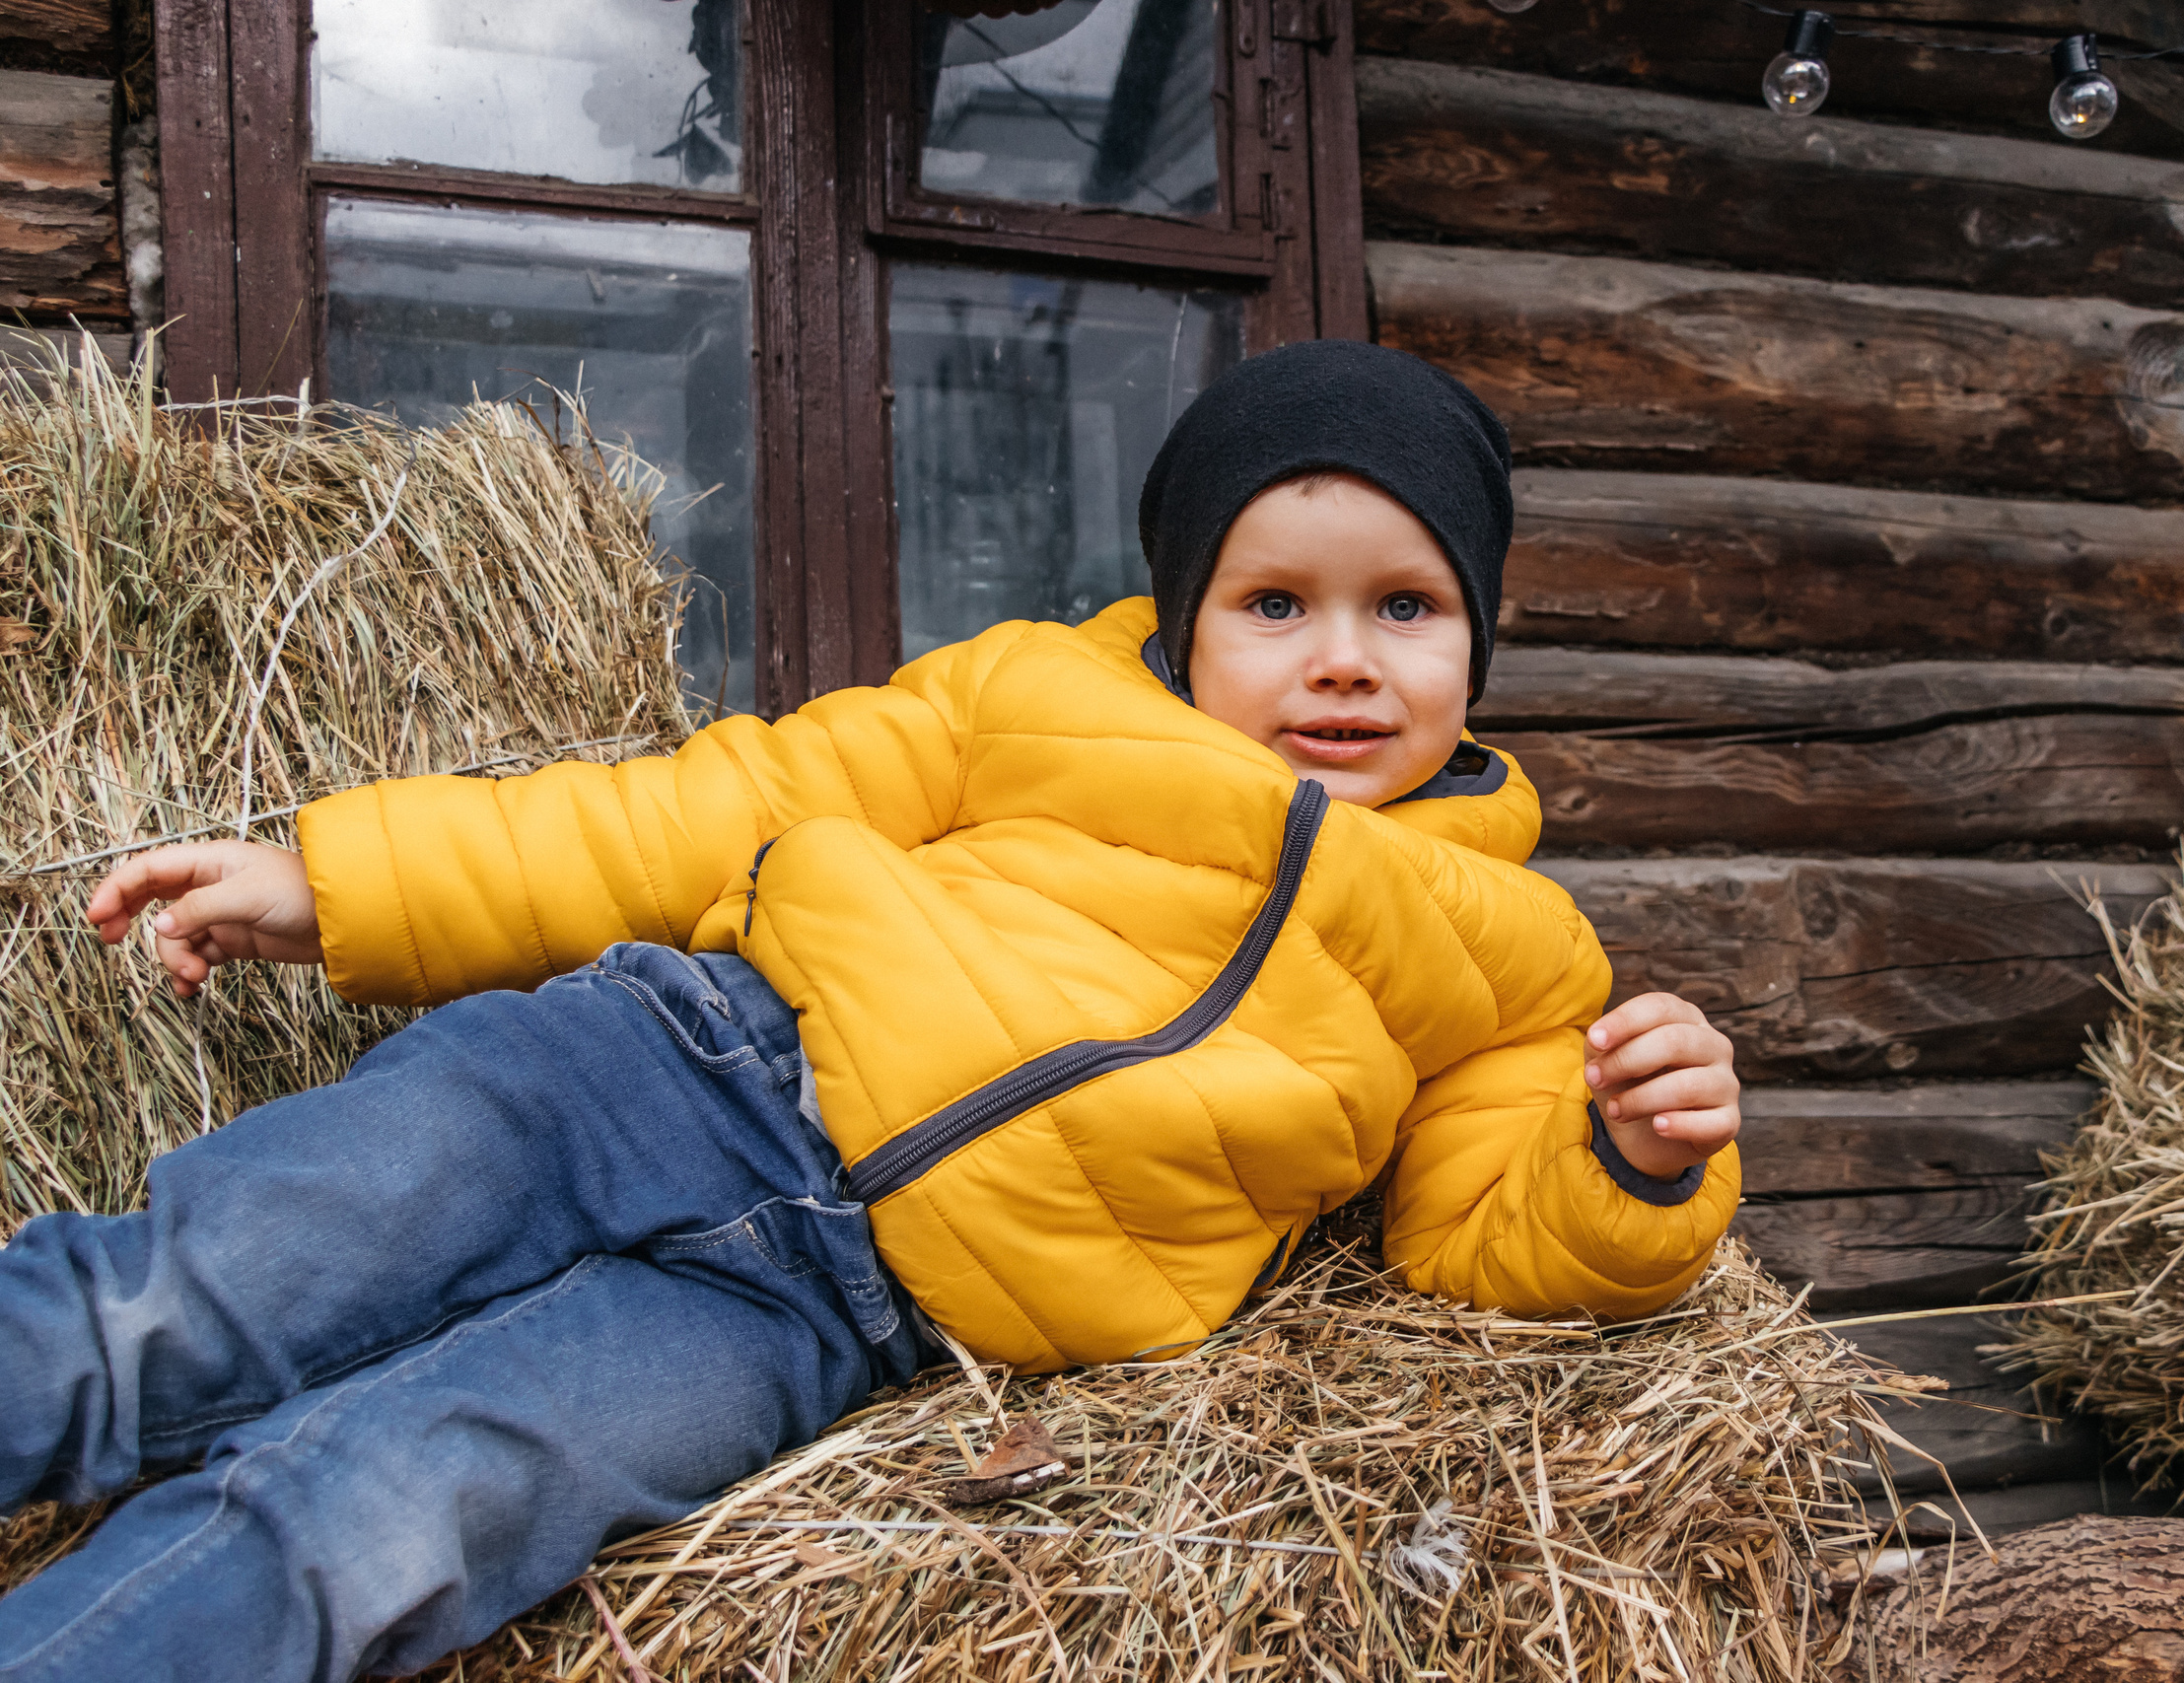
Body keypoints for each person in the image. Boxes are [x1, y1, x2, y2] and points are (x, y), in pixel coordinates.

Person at [0, 341, 1742, 1682]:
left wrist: (1636, 1165)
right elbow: (694, 807)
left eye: (1408, 608)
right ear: (1186, 619)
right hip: (657, 1068)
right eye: (1274, 603)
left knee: (384, 1515)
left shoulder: (1520, 953)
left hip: (824, 1312)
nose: (1342, 658)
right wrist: (343, 887)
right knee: (182, 1295)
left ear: (1480, 645)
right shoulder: (1033, 699)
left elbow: (1478, 1230)